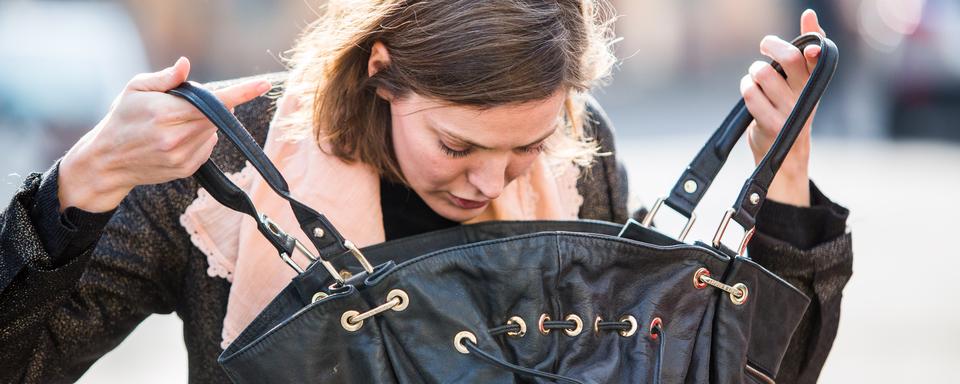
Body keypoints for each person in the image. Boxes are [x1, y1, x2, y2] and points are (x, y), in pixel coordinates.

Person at [0, 1, 851, 383]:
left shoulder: (577, 165)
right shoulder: (224, 172)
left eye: (525, 147)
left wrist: (783, 188)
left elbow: (744, 373)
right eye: (458, 144)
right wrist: (78, 191)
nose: (489, 181)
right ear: (382, 74)